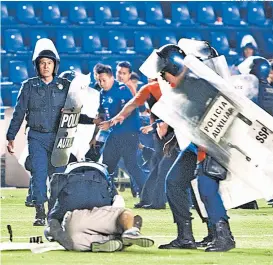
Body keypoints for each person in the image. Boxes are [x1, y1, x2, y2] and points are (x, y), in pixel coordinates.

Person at [140, 42, 235, 252]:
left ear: (173, 67)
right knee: (174, 181)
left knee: (206, 187)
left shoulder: (198, 84)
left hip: (212, 143)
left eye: (165, 74)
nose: (163, 79)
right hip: (196, 142)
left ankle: (223, 236)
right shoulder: (184, 86)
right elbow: (188, 120)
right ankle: (185, 237)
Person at [6, 39, 100, 226]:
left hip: (59, 140)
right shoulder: (29, 86)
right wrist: (10, 136)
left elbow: (74, 113)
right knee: (39, 174)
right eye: (42, 63)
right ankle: (40, 212)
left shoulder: (66, 87)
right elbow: (19, 113)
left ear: (55, 65)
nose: (46, 66)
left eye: (49, 63)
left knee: (59, 177)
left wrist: (91, 120)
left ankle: (54, 213)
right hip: (37, 137)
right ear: (37, 66)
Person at [45, 161, 154, 252]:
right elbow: (118, 204)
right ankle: (130, 231)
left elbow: (52, 220)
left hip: (72, 224)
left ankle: (108, 242)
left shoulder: (64, 180)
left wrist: (56, 233)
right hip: (97, 217)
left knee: (76, 242)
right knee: (124, 213)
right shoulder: (104, 178)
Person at [109, 80, 177, 209]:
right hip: (163, 133)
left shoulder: (153, 88)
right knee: (157, 167)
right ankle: (150, 199)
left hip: (170, 134)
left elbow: (134, 104)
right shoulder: (158, 88)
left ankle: (156, 201)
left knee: (162, 169)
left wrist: (152, 126)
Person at [97, 65, 146, 193]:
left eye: (104, 80)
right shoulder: (102, 93)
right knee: (107, 165)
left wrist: (110, 122)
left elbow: (128, 111)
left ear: (111, 78)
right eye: (99, 80)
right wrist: (97, 120)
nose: (101, 83)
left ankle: (150, 194)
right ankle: (108, 194)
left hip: (129, 132)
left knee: (132, 165)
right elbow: (102, 113)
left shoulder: (122, 89)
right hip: (115, 133)